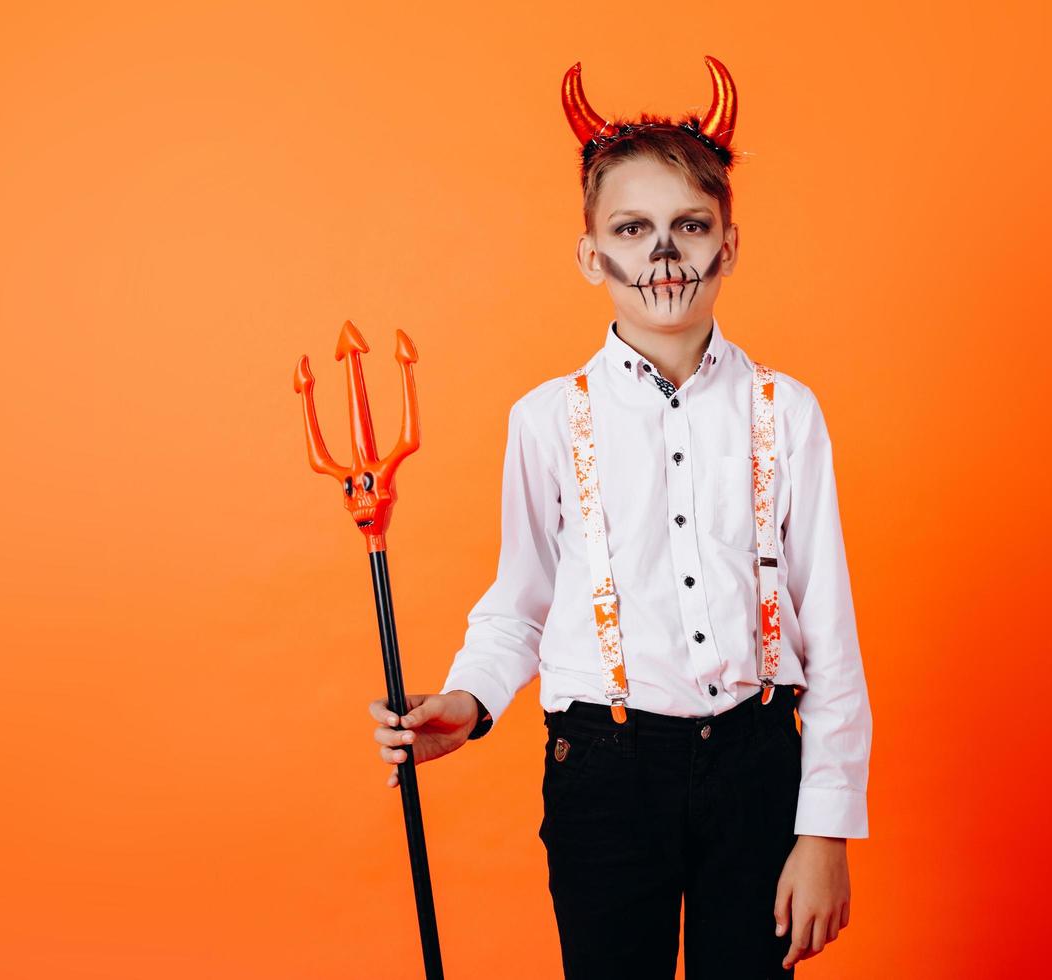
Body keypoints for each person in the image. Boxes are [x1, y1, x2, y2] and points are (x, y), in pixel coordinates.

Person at [368, 56, 872, 979]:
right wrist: (469, 702)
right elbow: (522, 601)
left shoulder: (786, 413)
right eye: (633, 229)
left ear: (730, 243)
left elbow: (830, 630)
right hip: (605, 772)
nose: (664, 255)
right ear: (590, 252)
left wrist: (826, 827)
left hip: (758, 767)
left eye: (690, 226)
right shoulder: (547, 420)